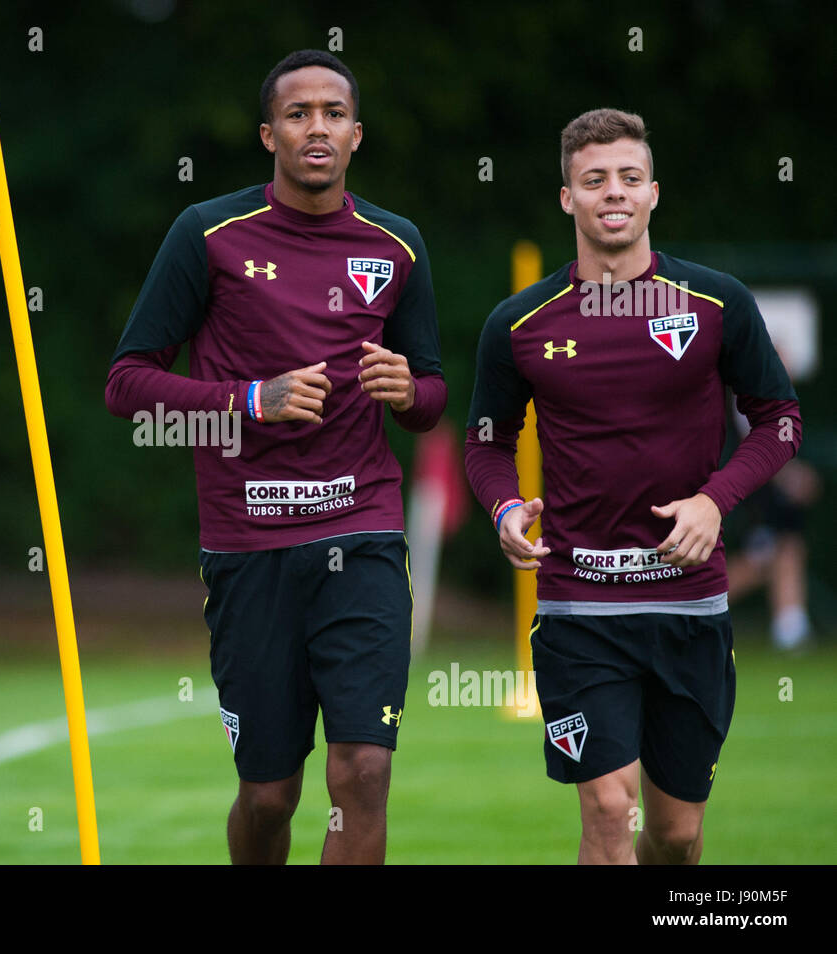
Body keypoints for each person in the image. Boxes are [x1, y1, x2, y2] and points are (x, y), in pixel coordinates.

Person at [106, 50, 445, 864]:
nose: (316, 126)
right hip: (248, 545)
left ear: (357, 135)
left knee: (363, 770)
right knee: (269, 797)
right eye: (298, 114)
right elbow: (127, 384)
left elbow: (431, 398)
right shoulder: (207, 234)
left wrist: (408, 390)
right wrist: (248, 400)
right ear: (269, 134)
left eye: (333, 113)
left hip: (361, 533)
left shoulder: (397, 244)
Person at [465, 108, 801, 864]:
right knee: (609, 813)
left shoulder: (716, 304)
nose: (612, 192)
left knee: (676, 838)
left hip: (690, 606)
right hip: (579, 608)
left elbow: (780, 419)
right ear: (567, 198)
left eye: (628, 178)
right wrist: (505, 506)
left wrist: (716, 500)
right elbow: (485, 441)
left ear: (653, 193)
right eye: (594, 180)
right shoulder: (518, 323)